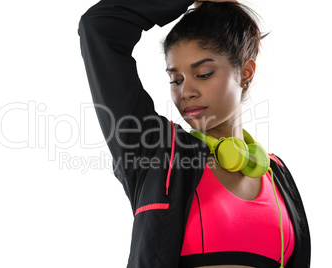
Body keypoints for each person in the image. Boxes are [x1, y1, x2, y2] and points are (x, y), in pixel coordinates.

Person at [78, 0, 310, 267]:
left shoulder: (278, 175)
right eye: (175, 80)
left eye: (203, 74)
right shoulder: (154, 152)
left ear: (245, 73)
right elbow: (99, 27)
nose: (185, 92)